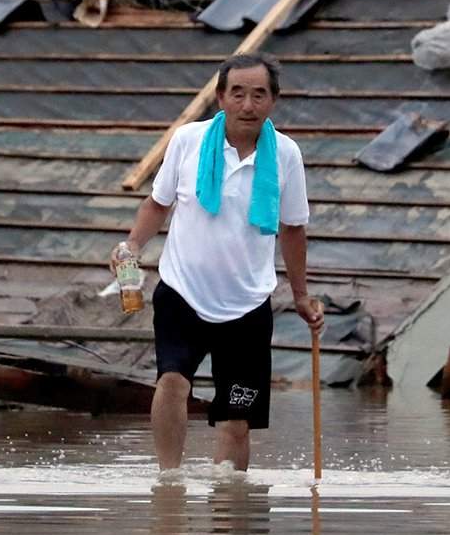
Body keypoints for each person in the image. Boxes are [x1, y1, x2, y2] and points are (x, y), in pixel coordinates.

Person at [114, 54, 324, 472]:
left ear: (273, 101)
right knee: (172, 383)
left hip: (247, 303)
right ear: (220, 97)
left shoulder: (285, 155)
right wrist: (132, 247)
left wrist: (301, 295)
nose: (248, 105)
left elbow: (293, 228)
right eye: (238, 94)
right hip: (182, 292)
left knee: (236, 420)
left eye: (259, 95)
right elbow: (159, 204)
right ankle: (169, 485)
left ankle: (230, 512)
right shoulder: (188, 141)